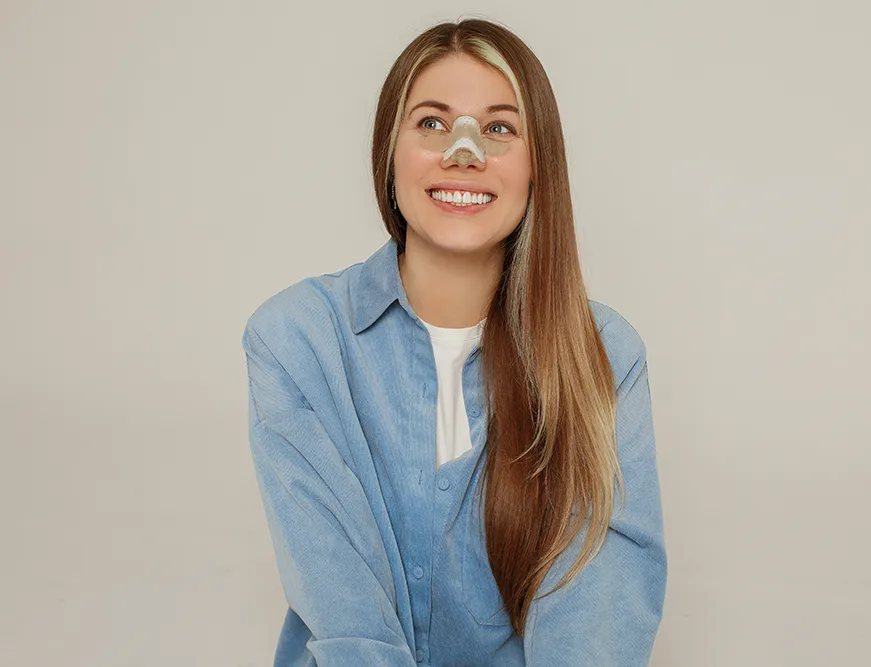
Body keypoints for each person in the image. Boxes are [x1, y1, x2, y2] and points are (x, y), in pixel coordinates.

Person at [242, 18, 667, 667]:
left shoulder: (603, 354)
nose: (462, 150)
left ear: (537, 166)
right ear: (391, 150)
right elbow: (343, 600)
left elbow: (596, 610)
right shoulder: (295, 339)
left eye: (498, 127)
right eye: (432, 123)